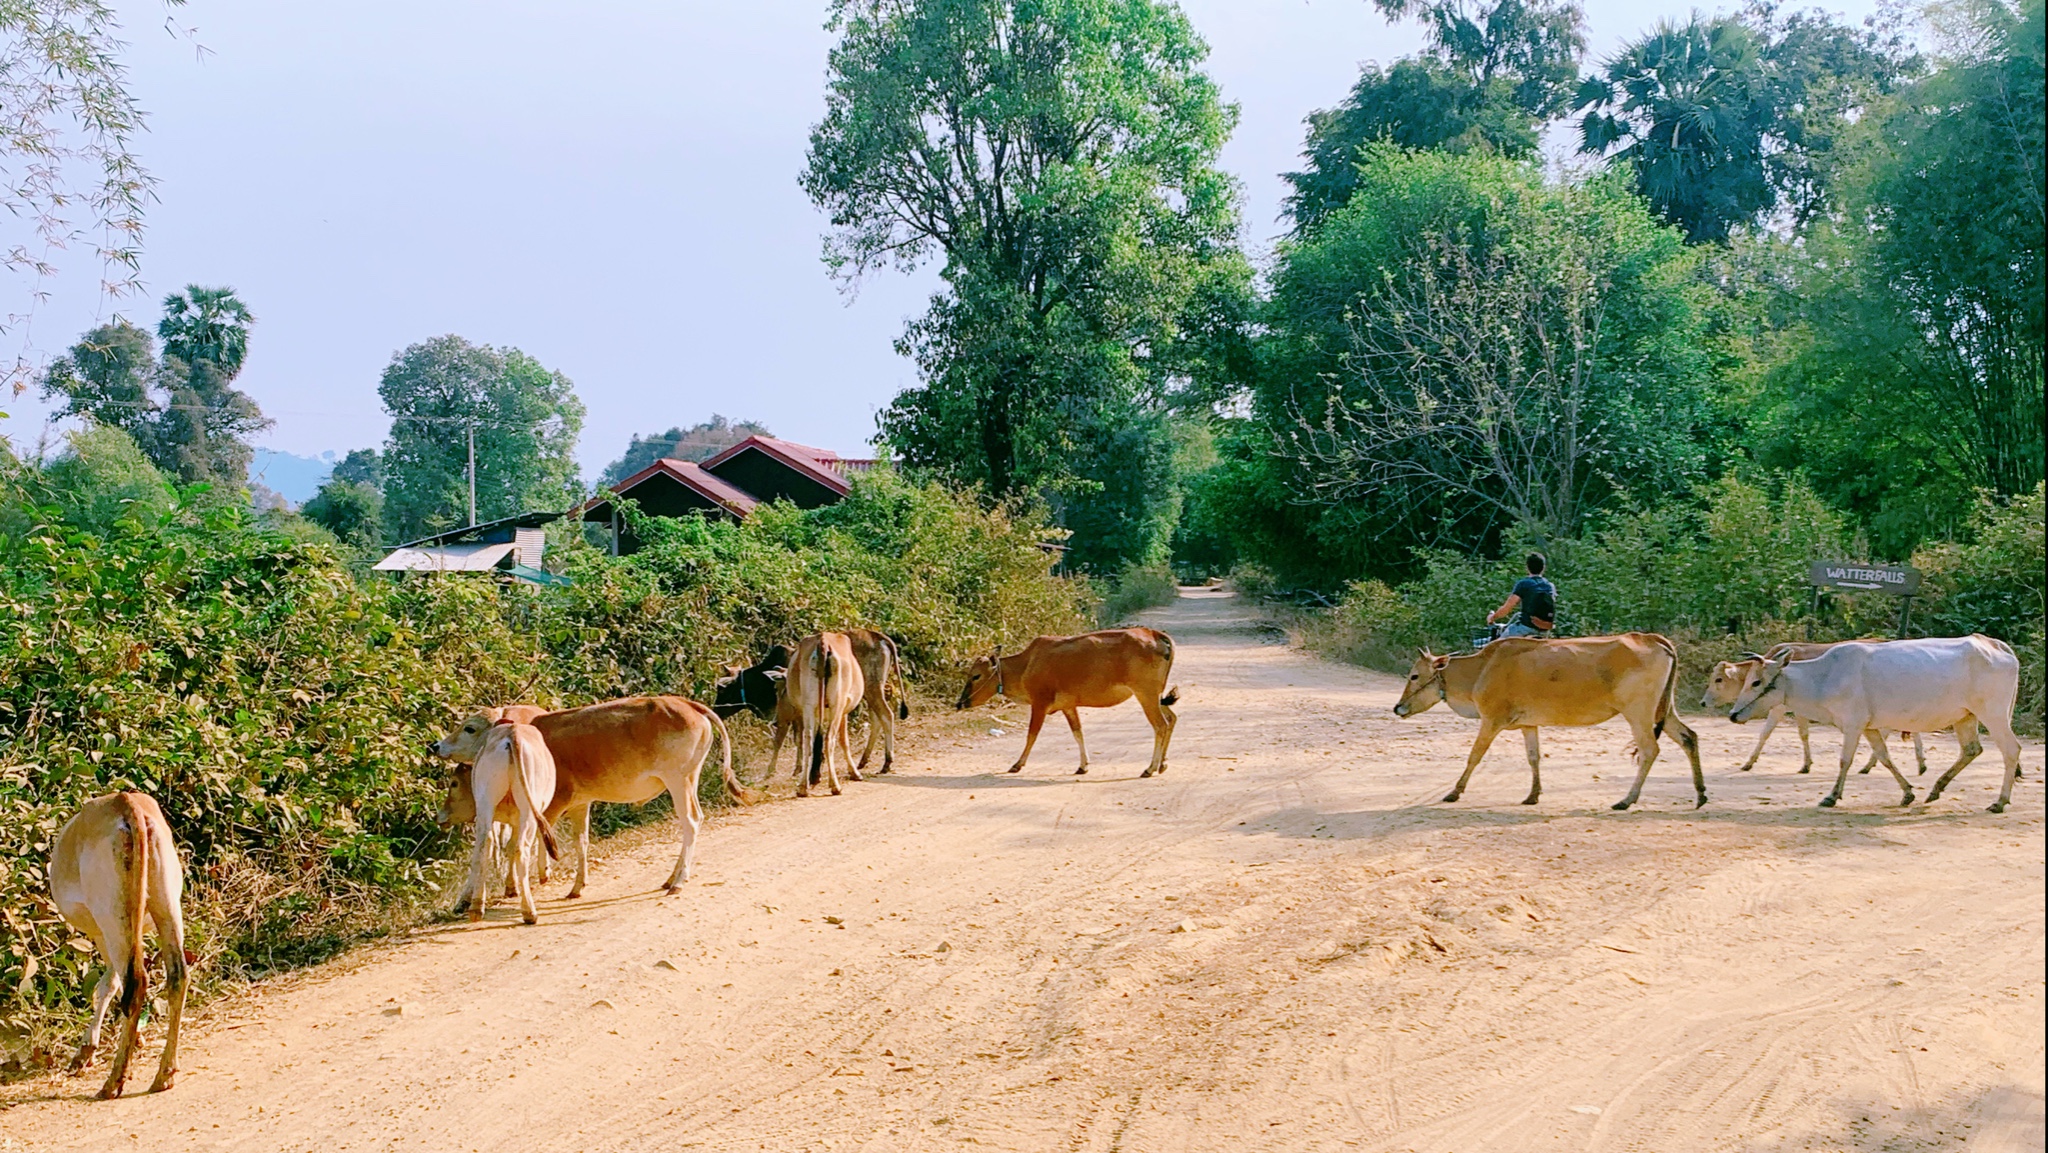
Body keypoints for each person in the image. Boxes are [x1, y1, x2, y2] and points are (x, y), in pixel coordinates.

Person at [1487, 553, 1555, 641]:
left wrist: (1492, 617)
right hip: (1544, 631)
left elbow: (1507, 609)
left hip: (1525, 629)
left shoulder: (1523, 584)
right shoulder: (1550, 586)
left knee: (1498, 649)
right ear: (1544, 568)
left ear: (1527, 567)